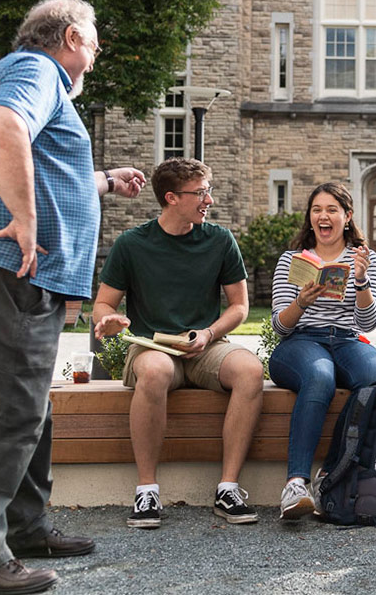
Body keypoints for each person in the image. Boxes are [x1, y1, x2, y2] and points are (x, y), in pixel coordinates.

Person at [0, 0, 145, 595]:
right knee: (7, 414)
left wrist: (104, 181)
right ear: (71, 37)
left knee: (29, 407)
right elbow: (3, 129)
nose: (100, 47)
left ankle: (23, 527)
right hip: (7, 266)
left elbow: (45, 165)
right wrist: (25, 219)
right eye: (95, 35)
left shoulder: (30, 76)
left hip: (10, 273)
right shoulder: (37, 70)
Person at [93, 158, 264, 530]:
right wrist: (108, 319)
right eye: (200, 193)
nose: (209, 200)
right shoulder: (132, 243)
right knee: (154, 371)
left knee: (251, 370)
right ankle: (147, 491)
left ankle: (228, 487)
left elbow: (239, 307)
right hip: (152, 346)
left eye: (209, 191)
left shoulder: (219, 239)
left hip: (205, 345)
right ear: (171, 198)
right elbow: (104, 303)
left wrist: (208, 334)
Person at [266, 182, 376, 521]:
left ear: (347, 217)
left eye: (332, 210)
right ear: (310, 217)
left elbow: (369, 322)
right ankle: (295, 483)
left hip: (348, 339)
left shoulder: (366, 259)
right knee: (320, 375)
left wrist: (361, 282)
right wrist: (301, 303)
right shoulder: (292, 260)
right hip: (302, 340)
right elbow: (280, 325)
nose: (324, 216)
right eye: (317, 209)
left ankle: (331, 473)